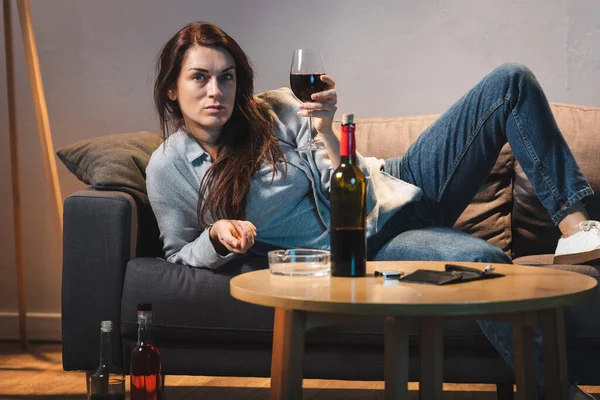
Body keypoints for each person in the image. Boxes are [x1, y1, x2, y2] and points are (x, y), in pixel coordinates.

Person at [146, 21, 597, 400]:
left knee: (510, 80)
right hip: (377, 245)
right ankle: (558, 391)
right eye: (200, 77)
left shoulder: (279, 110)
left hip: (400, 182)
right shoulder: (169, 167)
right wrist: (217, 235)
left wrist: (325, 131)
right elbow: (178, 252)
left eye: (226, 77)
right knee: (484, 263)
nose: (216, 91)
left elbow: (353, 190)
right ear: (172, 88)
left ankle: (576, 228)